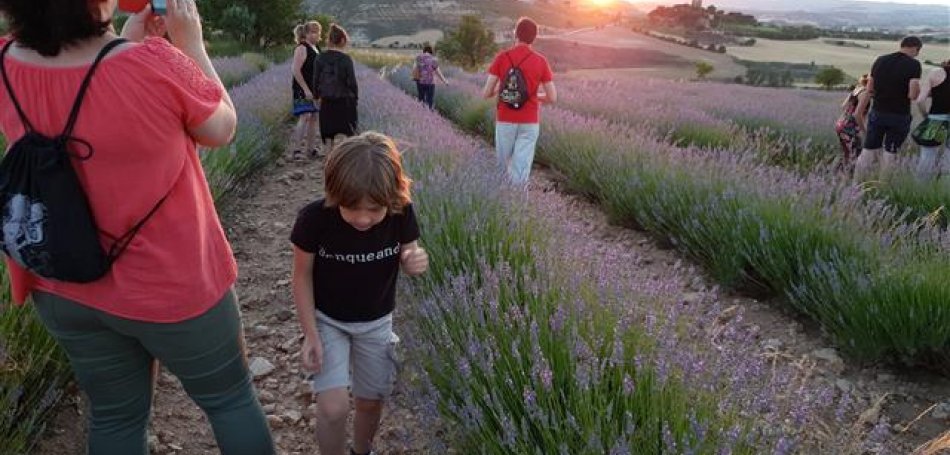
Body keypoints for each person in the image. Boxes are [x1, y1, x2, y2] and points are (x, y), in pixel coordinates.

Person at [0, 1, 275, 454]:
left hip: (62, 284)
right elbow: (222, 128)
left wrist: (122, 42)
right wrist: (191, 43)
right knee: (228, 400)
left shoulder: (7, 62)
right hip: (170, 288)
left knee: (114, 417)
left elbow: (82, 95)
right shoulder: (154, 63)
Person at [290, 132, 429, 455]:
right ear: (333, 193)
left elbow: (410, 252)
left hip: (377, 322)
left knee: (370, 402)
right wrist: (310, 335)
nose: (363, 218)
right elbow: (301, 276)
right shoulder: (314, 219)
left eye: (374, 210)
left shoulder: (400, 211)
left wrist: (414, 260)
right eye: (352, 209)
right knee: (333, 408)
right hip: (329, 321)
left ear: (391, 198)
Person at [482, 16, 557, 186]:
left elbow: (486, 93)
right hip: (529, 121)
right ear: (534, 37)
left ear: (515, 34)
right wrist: (532, 97)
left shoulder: (502, 58)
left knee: (503, 165)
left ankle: (501, 200)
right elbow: (553, 97)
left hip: (505, 119)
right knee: (521, 168)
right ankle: (518, 203)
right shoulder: (541, 61)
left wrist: (502, 90)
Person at [852, 36, 923, 181]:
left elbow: (870, 88)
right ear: (915, 48)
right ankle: (882, 187)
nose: (917, 54)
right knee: (890, 153)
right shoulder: (914, 65)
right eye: (918, 51)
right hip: (899, 114)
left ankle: (856, 184)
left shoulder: (880, 60)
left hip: (878, 112)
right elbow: (912, 94)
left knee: (868, 151)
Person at [315, 23, 358, 151]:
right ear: (343, 40)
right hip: (345, 100)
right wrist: (355, 98)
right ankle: (344, 161)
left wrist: (316, 97)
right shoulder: (346, 59)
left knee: (328, 134)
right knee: (347, 133)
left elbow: (316, 80)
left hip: (327, 100)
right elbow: (352, 82)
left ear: (329, 40)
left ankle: (329, 160)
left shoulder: (320, 58)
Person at [291, 21, 322, 160]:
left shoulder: (316, 48)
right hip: (303, 88)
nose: (316, 35)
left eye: (318, 32)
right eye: (313, 32)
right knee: (305, 116)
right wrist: (305, 89)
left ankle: (311, 149)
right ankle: (297, 150)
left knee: (314, 118)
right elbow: (295, 70)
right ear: (307, 33)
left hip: (315, 89)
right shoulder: (302, 48)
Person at [914, 60, 950, 180]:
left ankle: (921, 192)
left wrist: (925, 115)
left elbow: (919, 101)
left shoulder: (936, 73)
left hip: (936, 119)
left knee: (927, 156)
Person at [834, 73, 870, 172]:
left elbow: (843, 106)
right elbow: (857, 115)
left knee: (846, 152)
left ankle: (836, 174)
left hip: (841, 123)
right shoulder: (865, 94)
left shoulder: (856, 90)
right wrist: (864, 131)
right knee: (855, 153)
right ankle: (847, 177)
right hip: (850, 127)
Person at [412, 43, 448, 109]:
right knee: (429, 101)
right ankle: (429, 114)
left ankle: (421, 114)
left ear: (424, 50)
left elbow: (414, 68)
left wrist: (415, 77)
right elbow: (438, 72)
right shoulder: (434, 59)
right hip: (430, 83)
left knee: (421, 99)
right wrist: (445, 81)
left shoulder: (418, 57)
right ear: (431, 51)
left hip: (420, 82)